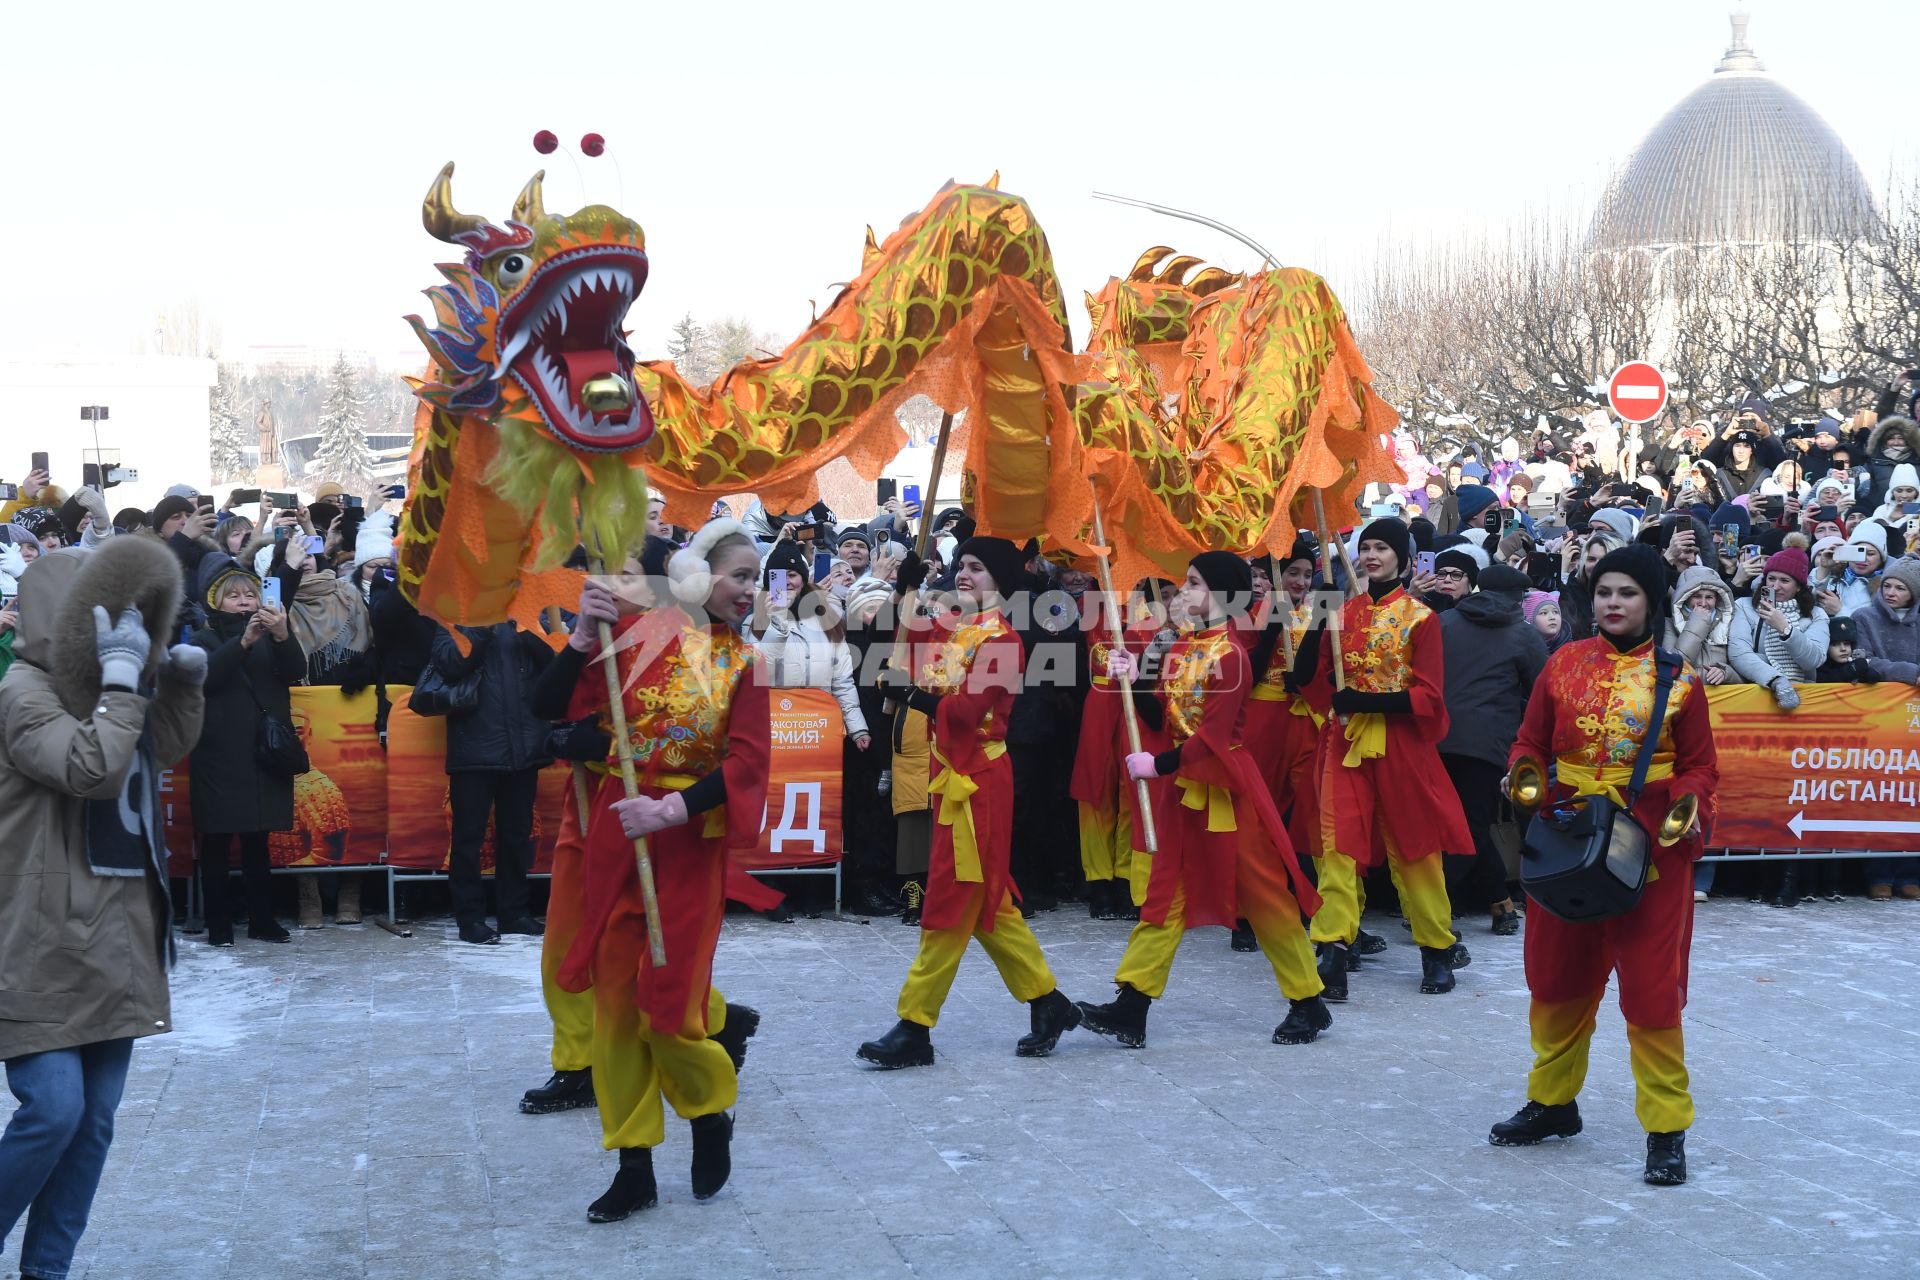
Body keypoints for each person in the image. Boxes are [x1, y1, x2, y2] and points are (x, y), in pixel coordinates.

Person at [551, 518, 775, 1221]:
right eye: (739, 574)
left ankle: (710, 1112)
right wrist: (581, 640)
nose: (748, 590)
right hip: (619, 847)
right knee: (617, 1014)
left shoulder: (745, 664)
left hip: (685, 852)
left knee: (669, 1014)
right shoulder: (640, 638)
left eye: (755, 579)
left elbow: (745, 763)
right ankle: (634, 1164)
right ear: (695, 574)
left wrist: (670, 812)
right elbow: (548, 709)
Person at [0, 538, 206, 1280]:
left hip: (115, 933)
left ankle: (47, 1271)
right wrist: (122, 685)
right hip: (39, 937)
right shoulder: (22, 693)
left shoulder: (109, 688)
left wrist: (177, 686)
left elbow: (154, 751)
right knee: (52, 1112)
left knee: (91, 1127)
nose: (122, 632)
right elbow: (89, 766)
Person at [1490, 544, 1718, 1187]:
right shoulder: (1562, 663)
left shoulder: (1683, 680)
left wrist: (1686, 805)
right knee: (1557, 976)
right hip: (1566, 837)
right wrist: (1527, 776)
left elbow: (1700, 764)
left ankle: (1666, 1128)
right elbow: (1531, 739)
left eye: (1627, 594)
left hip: (1650, 850)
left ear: (1652, 602)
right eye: (1604, 592)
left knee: (1650, 989)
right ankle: (1553, 1103)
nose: (1612, 604)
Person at [1076, 551, 1331, 1047]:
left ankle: (1308, 999)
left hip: (1226, 789)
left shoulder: (1231, 655)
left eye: (1193, 583)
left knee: (1264, 896)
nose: (1184, 592)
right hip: (1187, 786)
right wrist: (1131, 678)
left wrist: (1159, 765)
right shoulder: (1182, 648)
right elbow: (1160, 719)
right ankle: (1133, 1002)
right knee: (1165, 893)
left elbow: (1213, 736)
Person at [856, 536, 1082, 1068]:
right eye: (963, 566)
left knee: (949, 903)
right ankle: (1047, 1001)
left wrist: (912, 696)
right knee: (989, 904)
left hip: (979, 781)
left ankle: (915, 1024)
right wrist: (906, 587)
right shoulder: (955, 627)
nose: (965, 574)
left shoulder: (1003, 642)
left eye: (978, 569)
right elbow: (907, 641)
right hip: (950, 774)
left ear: (999, 581)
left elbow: (965, 711)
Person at [1294, 518, 1473, 999]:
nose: (1372, 555)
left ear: (1403, 557)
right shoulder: (1342, 610)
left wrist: (1367, 702)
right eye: (1365, 547)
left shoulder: (1422, 617)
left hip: (1401, 746)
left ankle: (1436, 949)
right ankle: (1332, 951)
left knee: (1415, 850)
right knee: (1337, 847)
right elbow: (1304, 675)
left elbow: (1430, 697)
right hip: (1345, 744)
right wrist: (1319, 618)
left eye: (1382, 548)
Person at [187, 554, 305, 945]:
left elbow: (295, 671)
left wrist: (284, 634)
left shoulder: (275, 635)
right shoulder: (203, 639)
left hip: (263, 755)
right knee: (217, 842)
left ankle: (262, 920)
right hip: (219, 755)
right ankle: (219, 924)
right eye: (233, 595)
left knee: (259, 841)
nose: (243, 600)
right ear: (215, 602)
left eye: (249, 594)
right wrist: (243, 642)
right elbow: (205, 680)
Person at [427, 619, 556, 944]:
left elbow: (554, 666)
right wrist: (482, 626)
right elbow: (451, 665)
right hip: (474, 747)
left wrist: (528, 629)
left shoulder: (527, 617)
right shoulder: (452, 617)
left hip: (523, 745)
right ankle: (470, 918)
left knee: (517, 834)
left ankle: (514, 913)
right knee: (468, 837)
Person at [1438, 564, 1548, 936]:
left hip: (1434, 739)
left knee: (1460, 826)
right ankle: (1433, 906)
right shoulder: (1522, 633)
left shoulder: (1444, 623)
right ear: (1519, 598)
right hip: (1487, 745)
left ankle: (1501, 904)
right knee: (1471, 827)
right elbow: (1544, 694)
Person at [1069, 579, 1163, 920]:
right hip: (1102, 702)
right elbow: (1095, 656)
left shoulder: (1150, 610)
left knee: (1132, 792)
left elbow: (1153, 660)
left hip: (1135, 704)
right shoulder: (1092, 605)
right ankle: (1098, 881)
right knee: (1094, 794)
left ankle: (1128, 879)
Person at [1850, 560, 1920, 899]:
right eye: (1889, 586)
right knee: (1881, 795)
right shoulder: (1865, 616)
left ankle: (1910, 874)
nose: (1891, 593)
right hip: (1878, 717)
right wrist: (1908, 672)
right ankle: (1878, 873)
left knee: (1911, 797)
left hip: (1913, 720)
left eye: (1900, 588)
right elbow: (1864, 661)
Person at [1727, 548, 1826, 711]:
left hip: (1803, 698)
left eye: (1785, 581)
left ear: (1799, 587)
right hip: (1755, 693)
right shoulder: (1744, 606)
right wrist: (1776, 680)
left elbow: (1813, 660)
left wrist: (1785, 629)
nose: (1776, 586)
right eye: (1771, 578)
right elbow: (1739, 653)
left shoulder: (1816, 615)